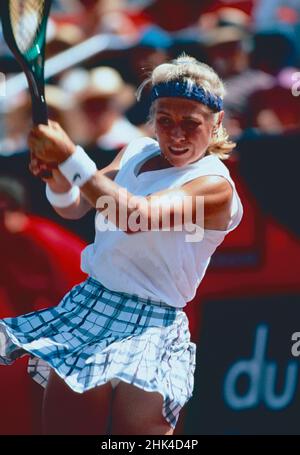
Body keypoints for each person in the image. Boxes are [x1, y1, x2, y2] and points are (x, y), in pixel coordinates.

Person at [0, 55, 243, 435]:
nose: (176, 134)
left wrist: (70, 157)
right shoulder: (135, 151)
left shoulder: (214, 186)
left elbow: (134, 218)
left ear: (216, 123)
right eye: (165, 120)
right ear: (152, 117)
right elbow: (74, 206)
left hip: (154, 327)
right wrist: (58, 176)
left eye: (190, 123)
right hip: (91, 308)